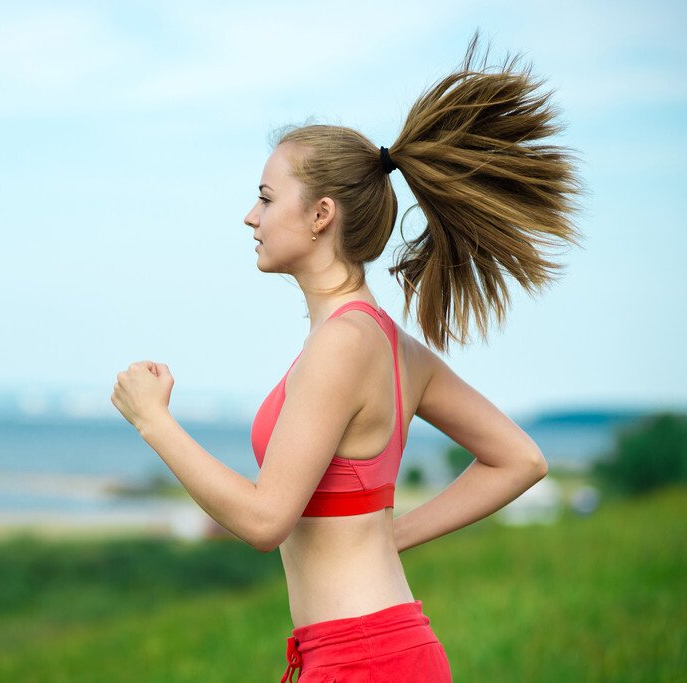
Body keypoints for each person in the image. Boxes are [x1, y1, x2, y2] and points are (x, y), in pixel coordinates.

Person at [111, 30, 582, 682]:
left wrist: (153, 421)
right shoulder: (383, 344)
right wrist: (388, 535)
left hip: (363, 658)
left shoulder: (342, 345)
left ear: (320, 214)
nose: (250, 216)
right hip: (363, 650)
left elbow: (263, 519)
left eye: (267, 197)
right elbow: (518, 457)